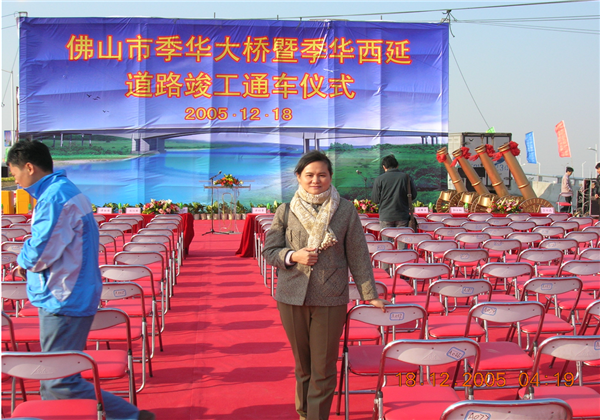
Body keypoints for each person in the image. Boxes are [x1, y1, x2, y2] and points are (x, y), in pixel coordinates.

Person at [7, 141, 155, 420]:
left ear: (29, 167)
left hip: (63, 296)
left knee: (59, 381)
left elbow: (41, 251)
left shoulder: (55, 197)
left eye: (14, 173)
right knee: (54, 380)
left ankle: (131, 417)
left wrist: (22, 260)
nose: (14, 179)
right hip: (68, 292)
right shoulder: (63, 191)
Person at [262, 150, 389, 420]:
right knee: (303, 366)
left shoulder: (345, 209)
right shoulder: (286, 210)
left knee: (323, 367)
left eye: (322, 175)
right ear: (298, 177)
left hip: (331, 297)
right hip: (291, 296)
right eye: (309, 175)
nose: (315, 180)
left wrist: (370, 294)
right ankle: (304, 414)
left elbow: (358, 254)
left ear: (330, 177)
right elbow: (270, 251)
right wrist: (293, 256)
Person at [371, 154, 417, 228]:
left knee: (387, 236)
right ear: (397, 166)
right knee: (402, 236)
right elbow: (413, 195)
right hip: (402, 216)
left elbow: (375, 199)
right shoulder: (406, 177)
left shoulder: (379, 179)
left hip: (386, 217)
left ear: (384, 167)